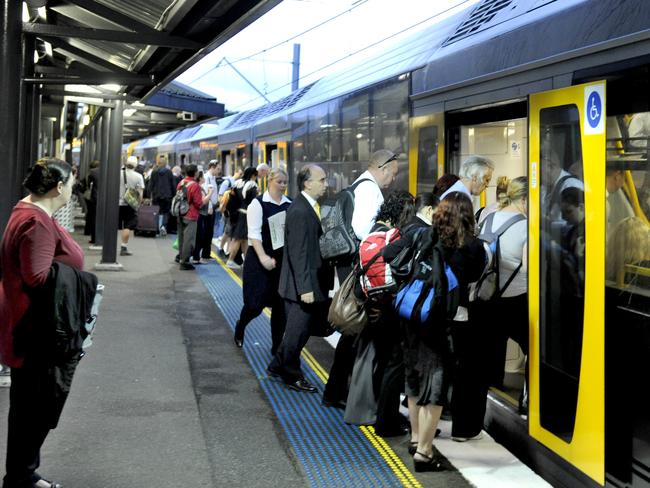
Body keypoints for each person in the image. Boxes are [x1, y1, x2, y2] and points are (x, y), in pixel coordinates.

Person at [0, 158, 95, 488]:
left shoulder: (26, 211)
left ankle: (22, 474)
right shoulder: (37, 222)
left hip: (28, 325)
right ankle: (19, 479)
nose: (72, 189)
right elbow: (38, 276)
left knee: (27, 408)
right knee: (34, 409)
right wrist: (84, 281)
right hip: (36, 332)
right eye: (70, 183)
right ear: (58, 187)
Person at [404, 192, 484, 471]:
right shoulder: (473, 247)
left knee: (414, 379)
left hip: (415, 316)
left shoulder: (427, 237)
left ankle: (415, 439)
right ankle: (424, 452)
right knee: (436, 389)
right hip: (447, 321)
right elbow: (475, 279)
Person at [323, 149, 399, 409]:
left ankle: (338, 391)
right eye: (393, 173)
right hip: (360, 268)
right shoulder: (369, 190)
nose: (392, 180)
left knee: (355, 331)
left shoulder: (360, 185)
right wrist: (384, 233)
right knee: (355, 329)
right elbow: (363, 229)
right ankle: (340, 392)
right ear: (382, 167)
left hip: (353, 266)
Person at [345, 190, 415, 435]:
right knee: (393, 364)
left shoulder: (370, 234)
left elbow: (359, 276)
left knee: (382, 361)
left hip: (374, 305)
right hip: (391, 308)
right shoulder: (396, 237)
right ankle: (387, 422)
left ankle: (380, 413)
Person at [267, 164, 332, 393]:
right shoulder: (300, 211)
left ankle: (277, 365)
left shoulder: (307, 207)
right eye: (322, 180)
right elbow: (298, 253)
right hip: (299, 287)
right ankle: (292, 375)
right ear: (307, 183)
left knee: (299, 331)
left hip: (304, 284)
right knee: (297, 334)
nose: (326, 184)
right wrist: (305, 288)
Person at [233, 168, 291, 354]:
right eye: (279, 182)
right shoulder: (257, 204)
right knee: (255, 305)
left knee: (280, 307)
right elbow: (254, 234)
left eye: (285, 182)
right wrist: (264, 257)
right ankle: (241, 326)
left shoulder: (289, 204)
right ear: (270, 181)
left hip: (281, 262)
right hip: (259, 260)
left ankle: (276, 347)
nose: (282, 185)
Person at [484, 177, 529, 412]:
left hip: (487, 296)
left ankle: (492, 391)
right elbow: (529, 267)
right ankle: (528, 399)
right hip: (517, 296)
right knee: (532, 345)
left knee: (493, 344)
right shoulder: (525, 226)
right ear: (524, 199)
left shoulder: (487, 216)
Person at [177, 164, 213, 270]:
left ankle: (181, 258)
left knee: (182, 238)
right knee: (189, 239)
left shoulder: (182, 182)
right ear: (196, 173)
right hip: (191, 215)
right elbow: (198, 203)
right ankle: (185, 262)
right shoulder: (195, 185)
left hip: (180, 213)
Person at [226, 167, 258, 269]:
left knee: (244, 239)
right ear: (253, 175)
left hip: (236, 213)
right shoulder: (252, 185)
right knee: (238, 239)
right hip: (246, 215)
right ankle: (230, 261)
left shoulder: (237, 183)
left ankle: (247, 261)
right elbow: (254, 201)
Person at [118, 156, 145, 256]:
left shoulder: (118, 174)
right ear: (136, 165)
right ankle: (123, 247)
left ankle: (108, 247)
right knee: (127, 226)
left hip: (117, 204)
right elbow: (140, 193)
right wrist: (138, 204)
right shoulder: (138, 176)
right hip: (130, 204)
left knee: (115, 225)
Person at [148, 154, 176, 236]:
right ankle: (163, 226)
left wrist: (150, 195)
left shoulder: (154, 172)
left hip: (156, 196)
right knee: (166, 212)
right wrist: (173, 195)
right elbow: (173, 185)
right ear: (165, 163)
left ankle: (156, 229)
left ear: (158, 163)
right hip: (167, 196)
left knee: (156, 212)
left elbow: (151, 185)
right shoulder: (169, 172)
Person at [191, 171, 214, 264]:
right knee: (199, 236)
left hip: (200, 214)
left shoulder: (198, 187)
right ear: (200, 178)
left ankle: (195, 256)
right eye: (203, 177)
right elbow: (202, 202)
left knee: (199, 235)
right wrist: (210, 193)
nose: (204, 178)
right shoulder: (199, 188)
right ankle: (196, 257)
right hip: (199, 215)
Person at [83, 160, 100, 244]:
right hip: (103, 198)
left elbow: (86, 184)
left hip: (93, 197)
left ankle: (93, 237)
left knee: (92, 216)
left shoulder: (92, 172)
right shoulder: (105, 172)